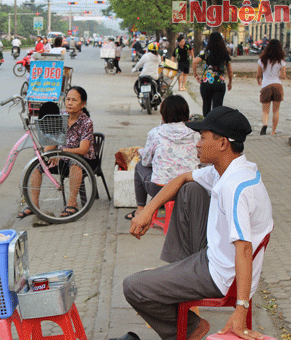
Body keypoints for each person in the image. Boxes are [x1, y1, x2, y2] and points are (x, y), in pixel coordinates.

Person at [114, 106, 272, 340]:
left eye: (203, 137)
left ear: (223, 144)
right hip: (214, 255)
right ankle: (177, 272)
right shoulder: (228, 169)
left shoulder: (234, 188)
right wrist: (147, 211)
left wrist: (241, 309)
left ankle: (191, 328)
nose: (197, 143)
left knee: (134, 287)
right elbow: (181, 178)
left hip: (221, 275)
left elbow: (245, 250)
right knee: (190, 189)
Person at [17, 86, 96, 219]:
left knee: (75, 164)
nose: (70, 103)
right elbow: (53, 141)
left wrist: (61, 152)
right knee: (37, 165)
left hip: (84, 159)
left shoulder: (86, 122)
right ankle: (33, 205)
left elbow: (83, 150)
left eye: (74, 100)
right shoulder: (61, 117)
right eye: (68, 99)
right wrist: (45, 156)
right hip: (62, 157)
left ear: (83, 104)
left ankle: (72, 203)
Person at [124, 95, 200, 220]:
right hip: (189, 188)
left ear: (163, 114)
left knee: (139, 166)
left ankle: (141, 210)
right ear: (187, 114)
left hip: (160, 189)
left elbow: (146, 162)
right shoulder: (195, 134)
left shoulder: (156, 133)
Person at [192, 32, 233, 117]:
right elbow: (230, 70)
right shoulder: (225, 53)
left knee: (206, 105)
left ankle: (206, 127)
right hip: (219, 83)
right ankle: (215, 127)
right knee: (217, 108)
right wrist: (230, 82)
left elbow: (194, 61)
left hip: (206, 83)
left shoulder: (206, 52)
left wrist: (195, 74)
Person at [256, 39, 286, 136]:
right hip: (277, 85)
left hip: (266, 86)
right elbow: (283, 76)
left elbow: (258, 74)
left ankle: (265, 125)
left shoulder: (262, 60)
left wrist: (258, 81)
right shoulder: (281, 61)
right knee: (276, 110)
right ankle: (273, 131)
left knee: (265, 110)